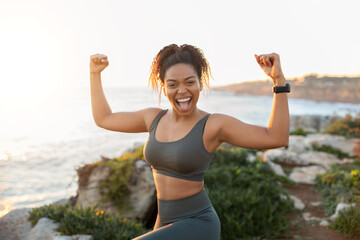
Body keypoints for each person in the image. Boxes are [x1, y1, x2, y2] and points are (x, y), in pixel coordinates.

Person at [89, 44, 289, 240]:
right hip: (164, 222)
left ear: (200, 83)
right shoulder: (153, 118)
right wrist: (94, 74)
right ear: (164, 86)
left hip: (198, 223)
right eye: (173, 84)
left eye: (189, 82)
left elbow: (276, 137)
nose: (182, 91)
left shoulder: (213, 125)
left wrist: (278, 81)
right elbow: (104, 118)